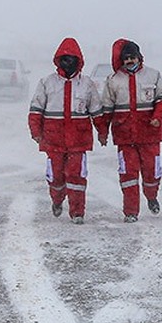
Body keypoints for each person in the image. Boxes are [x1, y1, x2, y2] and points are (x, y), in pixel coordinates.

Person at [28, 37, 103, 225]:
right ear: (58, 60)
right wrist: (35, 131)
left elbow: (96, 111)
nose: (68, 63)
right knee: (56, 177)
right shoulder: (46, 83)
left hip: (79, 140)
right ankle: (57, 199)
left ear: (79, 61)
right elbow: (36, 109)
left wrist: (102, 131)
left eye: (72, 59)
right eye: (64, 59)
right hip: (53, 139)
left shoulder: (87, 84)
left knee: (77, 176)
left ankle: (77, 212)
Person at [96, 39, 162, 223]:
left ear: (139, 57)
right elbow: (106, 109)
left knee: (152, 173)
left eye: (133, 57)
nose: (130, 61)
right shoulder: (113, 81)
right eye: (126, 58)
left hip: (150, 135)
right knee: (128, 175)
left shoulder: (153, 75)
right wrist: (103, 132)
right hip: (124, 136)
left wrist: (157, 117)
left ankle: (151, 196)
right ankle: (131, 212)